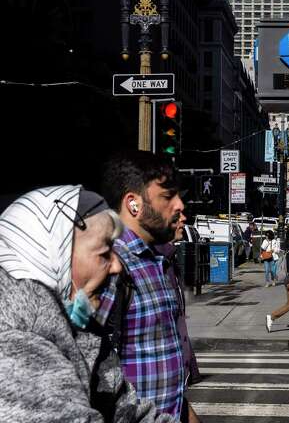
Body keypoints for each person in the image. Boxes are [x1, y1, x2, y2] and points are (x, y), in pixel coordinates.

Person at [0, 185, 174, 422]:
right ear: (53, 254)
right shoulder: (15, 338)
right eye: (104, 254)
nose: (117, 266)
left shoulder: (81, 328)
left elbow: (127, 411)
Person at [101, 151, 194, 421]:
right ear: (133, 204)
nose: (179, 205)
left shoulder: (154, 261)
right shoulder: (110, 266)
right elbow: (95, 377)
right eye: (167, 196)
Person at [153, 212, 202, 422]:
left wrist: (189, 364)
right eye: (175, 216)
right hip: (156, 386)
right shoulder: (153, 263)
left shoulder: (169, 261)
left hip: (173, 384)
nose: (183, 218)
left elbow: (176, 321)